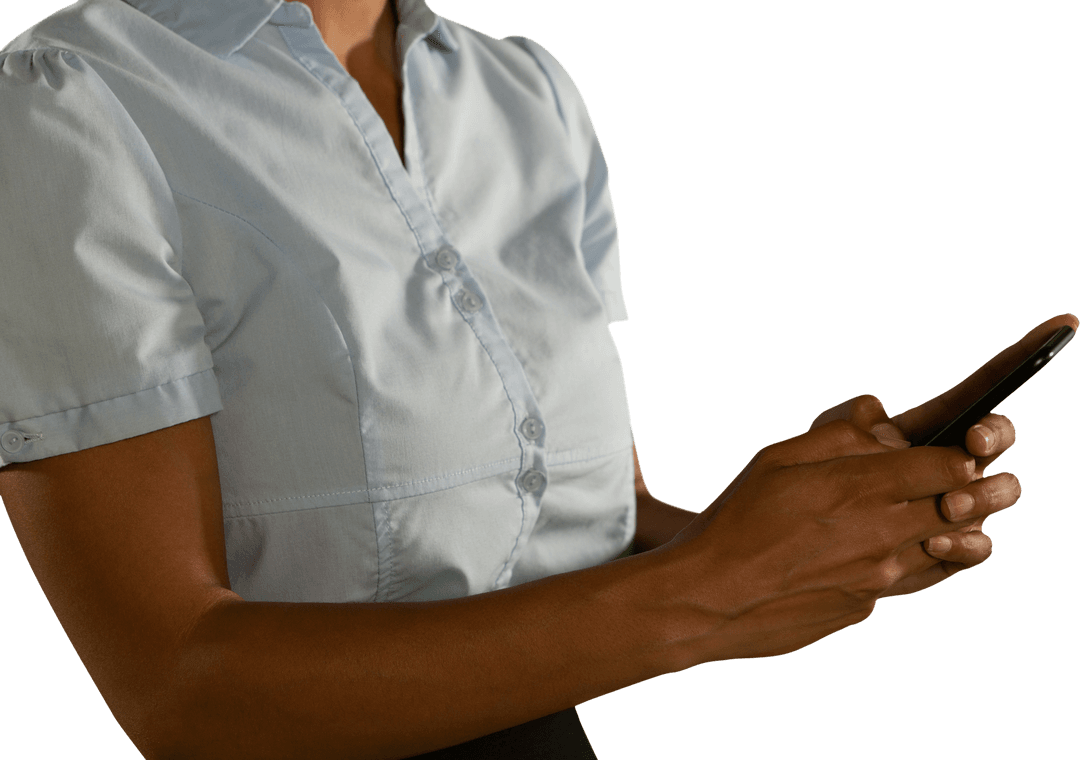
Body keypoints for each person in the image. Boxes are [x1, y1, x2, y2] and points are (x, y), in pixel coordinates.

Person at [0, 1, 1073, 758]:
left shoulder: (525, 90)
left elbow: (587, 524)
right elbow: (180, 691)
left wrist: (811, 524)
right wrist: (712, 590)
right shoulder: (70, 104)